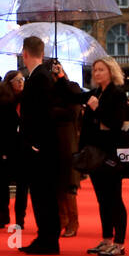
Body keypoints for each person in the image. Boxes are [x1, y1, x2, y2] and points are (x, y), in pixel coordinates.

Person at [81, 56, 129, 256]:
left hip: (110, 152)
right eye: (95, 70)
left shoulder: (117, 94)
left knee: (114, 197)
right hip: (94, 152)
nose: (97, 73)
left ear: (111, 71)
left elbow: (114, 123)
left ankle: (119, 242)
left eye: (101, 69)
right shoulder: (95, 93)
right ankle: (106, 238)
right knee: (102, 198)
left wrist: (96, 109)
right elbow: (89, 124)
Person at [18, 36, 60, 254]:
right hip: (39, 145)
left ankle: (48, 239)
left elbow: (43, 114)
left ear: (25, 53)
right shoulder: (40, 76)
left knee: (43, 194)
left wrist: (36, 144)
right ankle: (45, 237)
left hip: (40, 148)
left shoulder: (40, 77)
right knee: (41, 193)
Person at [51, 60, 86, 237]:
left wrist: (51, 111)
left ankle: (73, 221)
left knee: (68, 182)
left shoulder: (71, 87)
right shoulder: (49, 89)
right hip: (52, 139)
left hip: (67, 139)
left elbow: (72, 112)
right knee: (56, 182)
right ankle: (62, 219)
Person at [0, 71, 25, 229]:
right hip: (4, 146)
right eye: (18, 80)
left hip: (22, 147)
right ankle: (3, 215)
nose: (21, 83)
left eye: (22, 80)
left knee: (22, 184)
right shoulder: (1, 102)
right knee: (3, 183)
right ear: (10, 82)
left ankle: (20, 218)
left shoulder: (25, 99)